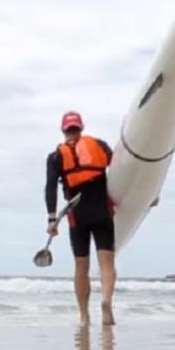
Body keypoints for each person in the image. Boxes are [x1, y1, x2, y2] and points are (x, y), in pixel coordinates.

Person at [46, 110, 118, 326]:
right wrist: (144, 197)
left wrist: (51, 218)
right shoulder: (100, 146)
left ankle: (84, 316)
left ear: (63, 130)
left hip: (77, 216)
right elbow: (123, 172)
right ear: (81, 127)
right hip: (102, 212)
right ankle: (106, 302)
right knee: (107, 263)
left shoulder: (56, 157)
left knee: (81, 265)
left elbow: (50, 187)